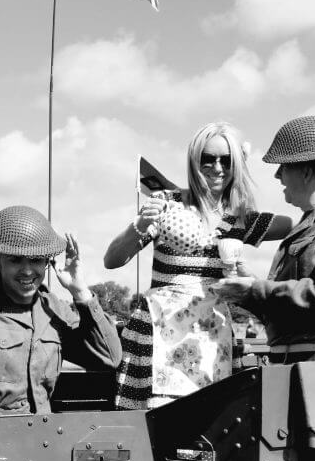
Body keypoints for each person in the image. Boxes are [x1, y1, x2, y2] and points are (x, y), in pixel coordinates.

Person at [105, 122, 292, 409]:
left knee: (210, 422)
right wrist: (140, 223)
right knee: (154, 423)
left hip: (211, 332)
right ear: (194, 160)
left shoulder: (242, 219)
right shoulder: (167, 204)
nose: (218, 168)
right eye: (208, 158)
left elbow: (300, 225)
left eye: (227, 160)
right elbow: (112, 260)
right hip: (160, 329)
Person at [213, 115, 315, 361]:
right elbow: (292, 309)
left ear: (307, 171)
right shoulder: (314, 220)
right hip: (300, 361)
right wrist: (248, 290)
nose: (278, 176)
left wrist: (258, 290)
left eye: (284, 167)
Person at [0, 204, 121, 413]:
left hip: (42, 435)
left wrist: (81, 293)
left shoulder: (52, 309)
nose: (27, 271)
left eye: (36, 260)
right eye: (15, 260)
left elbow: (110, 357)